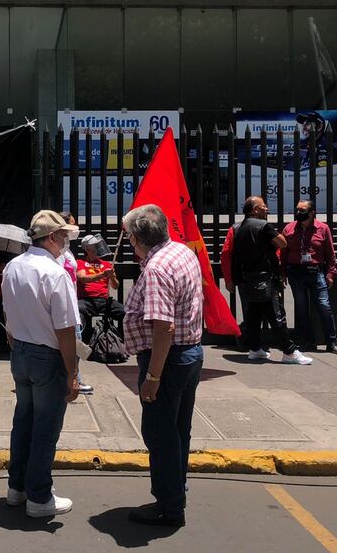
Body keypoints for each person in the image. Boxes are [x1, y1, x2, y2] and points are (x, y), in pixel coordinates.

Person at [121, 204, 203, 528]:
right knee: (177, 429)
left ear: (137, 238)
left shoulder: (156, 268)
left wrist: (153, 377)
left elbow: (163, 327)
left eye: (129, 237)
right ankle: (175, 489)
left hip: (168, 361)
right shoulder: (180, 251)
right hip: (188, 355)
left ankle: (169, 506)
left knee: (160, 434)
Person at [2, 210, 80, 518]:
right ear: (52, 237)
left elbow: (8, 315)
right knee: (45, 427)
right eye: (63, 236)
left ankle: (17, 487)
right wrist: (72, 373)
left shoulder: (13, 267)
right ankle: (38, 496)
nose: (65, 241)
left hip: (20, 350)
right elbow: (66, 330)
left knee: (24, 421)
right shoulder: (55, 273)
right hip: (46, 355)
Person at [231, 196, 313, 366]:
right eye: (263, 206)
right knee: (276, 316)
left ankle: (255, 349)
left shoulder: (237, 228)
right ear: (255, 209)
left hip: (248, 277)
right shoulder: (263, 226)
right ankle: (289, 351)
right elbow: (282, 243)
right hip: (265, 278)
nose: (266, 209)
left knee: (253, 315)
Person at [282, 200, 337, 355]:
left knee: (324, 306)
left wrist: (331, 273)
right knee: (301, 308)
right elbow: (284, 253)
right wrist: (283, 273)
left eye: (302, 211)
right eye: (297, 210)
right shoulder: (289, 229)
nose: (298, 213)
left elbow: (330, 253)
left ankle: (332, 342)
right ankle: (308, 341)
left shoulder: (323, 228)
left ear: (311, 212)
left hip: (316, 272)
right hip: (296, 272)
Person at [58, 212, 92, 395]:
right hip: (66, 304)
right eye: (72, 225)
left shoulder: (67, 249)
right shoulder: (59, 252)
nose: (76, 228)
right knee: (72, 344)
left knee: (75, 343)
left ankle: (74, 379)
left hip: (72, 300)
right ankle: (73, 381)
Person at [76, 233, 125, 344]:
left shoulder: (106, 264)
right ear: (87, 249)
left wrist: (112, 278)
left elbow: (115, 286)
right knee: (78, 312)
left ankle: (124, 340)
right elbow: (82, 278)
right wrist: (102, 275)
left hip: (104, 299)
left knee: (124, 312)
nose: (97, 248)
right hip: (86, 299)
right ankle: (80, 342)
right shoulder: (81, 263)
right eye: (94, 246)